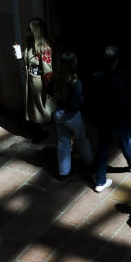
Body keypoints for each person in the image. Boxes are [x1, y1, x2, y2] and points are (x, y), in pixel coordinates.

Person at [89, 45, 131, 192]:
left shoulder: (95, 76)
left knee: (103, 147)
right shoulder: (118, 80)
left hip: (102, 118)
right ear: (116, 59)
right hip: (117, 119)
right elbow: (124, 103)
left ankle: (100, 181)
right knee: (125, 140)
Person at [52, 51, 92, 179]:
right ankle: (89, 163)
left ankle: (64, 172)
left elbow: (49, 90)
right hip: (72, 116)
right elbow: (75, 105)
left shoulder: (56, 78)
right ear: (74, 64)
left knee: (63, 141)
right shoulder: (75, 82)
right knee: (82, 139)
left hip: (58, 113)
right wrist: (83, 101)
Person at [15, 17, 54, 142]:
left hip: (40, 82)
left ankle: (44, 130)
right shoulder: (31, 43)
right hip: (31, 79)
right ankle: (40, 127)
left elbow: (48, 70)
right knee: (36, 106)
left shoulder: (45, 48)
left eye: (30, 29)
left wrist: (49, 86)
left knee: (42, 107)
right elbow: (28, 59)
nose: (28, 31)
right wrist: (20, 55)